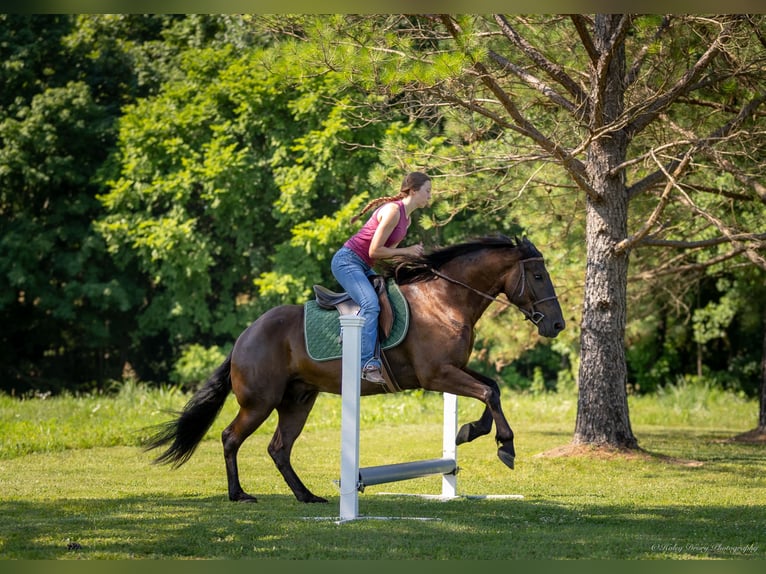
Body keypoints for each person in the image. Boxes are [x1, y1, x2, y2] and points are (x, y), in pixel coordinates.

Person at [331, 171, 432, 384]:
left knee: (389, 298)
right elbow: (375, 251)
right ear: (413, 191)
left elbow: (389, 254)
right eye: (427, 191)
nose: (430, 196)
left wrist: (416, 263)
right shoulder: (393, 212)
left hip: (364, 266)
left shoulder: (408, 219)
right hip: (347, 261)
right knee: (371, 304)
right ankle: (366, 363)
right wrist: (408, 251)